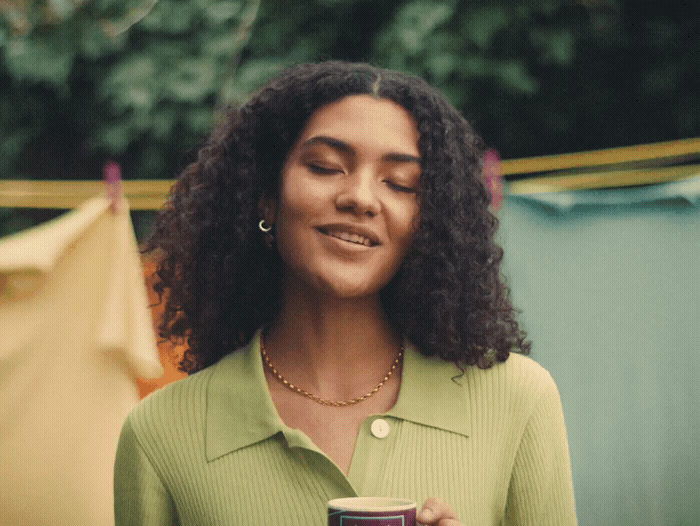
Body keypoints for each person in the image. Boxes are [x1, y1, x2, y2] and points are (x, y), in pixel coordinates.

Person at [114, 61, 577, 525]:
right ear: (265, 195)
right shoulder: (160, 435)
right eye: (325, 167)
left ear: (429, 223)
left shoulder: (519, 402)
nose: (360, 197)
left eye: (400, 183)